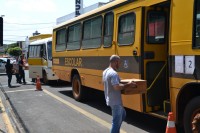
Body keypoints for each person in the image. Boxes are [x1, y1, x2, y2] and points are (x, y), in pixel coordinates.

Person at [102, 55, 136, 133]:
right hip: (115, 101)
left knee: (123, 114)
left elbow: (112, 81)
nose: (120, 64)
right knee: (116, 123)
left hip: (110, 99)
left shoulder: (105, 71)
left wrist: (127, 81)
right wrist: (128, 85)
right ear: (116, 62)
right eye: (119, 63)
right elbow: (116, 87)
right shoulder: (113, 73)